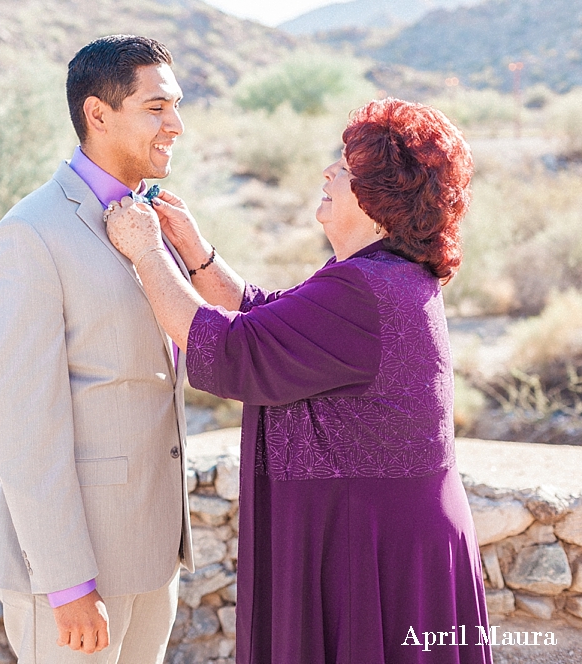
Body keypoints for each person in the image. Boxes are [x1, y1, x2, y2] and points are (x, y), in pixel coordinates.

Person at [105, 98, 492, 663]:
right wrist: (194, 249)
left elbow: (236, 347)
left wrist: (144, 250)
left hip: (373, 547)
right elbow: (269, 317)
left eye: (347, 166)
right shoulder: (382, 276)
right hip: (393, 535)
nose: (329, 173)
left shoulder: (366, 288)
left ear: (381, 198)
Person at [0, 35, 194, 663]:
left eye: (175, 106)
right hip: (75, 575)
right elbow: (24, 422)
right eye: (156, 108)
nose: (176, 124)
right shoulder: (29, 236)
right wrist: (67, 584)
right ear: (98, 114)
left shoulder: (152, 222)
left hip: (151, 559)